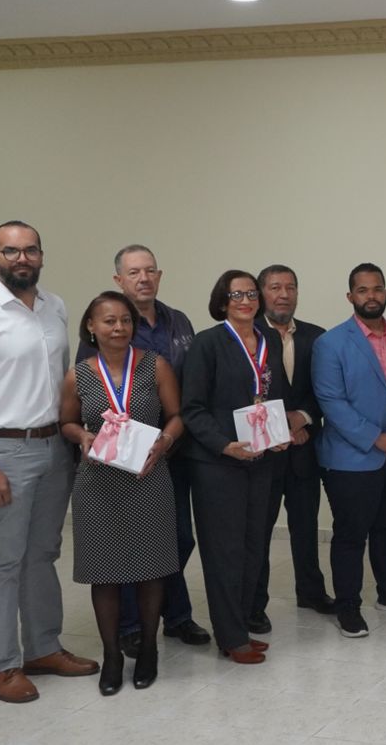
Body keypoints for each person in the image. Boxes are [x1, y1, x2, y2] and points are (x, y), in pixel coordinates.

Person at [0, 221, 99, 703]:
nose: (22, 258)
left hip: (54, 448)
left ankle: (43, 648)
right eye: (11, 252)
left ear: (42, 255)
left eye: (30, 250)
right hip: (2, 450)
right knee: (4, 560)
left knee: (42, 554)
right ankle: (2, 665)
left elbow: (64, 382)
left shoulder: (55, 308)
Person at [76, 245, 209, 655]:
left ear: (159, 275)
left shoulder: (179, 321)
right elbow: (91, 393)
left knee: (176, 539)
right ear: (119, 279)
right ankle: (133, 624)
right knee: (127, 542)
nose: (143, 278)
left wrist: (171, 435)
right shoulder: (106, 326)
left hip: (176, 447)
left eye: (150, 270)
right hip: (122, 461)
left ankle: (174, 616)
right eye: (134, 272)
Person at [58, 292, 185, 694]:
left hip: (148, 478)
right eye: (108, 321)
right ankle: (112, 655)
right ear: (91, 327)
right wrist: (81, 435)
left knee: (151, 569)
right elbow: (65, 422)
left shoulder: (155, 365)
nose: (118, 328)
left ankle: (148, 648)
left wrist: (163, 442)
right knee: (105, 574)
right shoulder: (78, 374)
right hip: (98, 484)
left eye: (125, 321)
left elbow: (177, 416)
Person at [179, 269, 291, 663]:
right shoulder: (207, 344)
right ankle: (230, 637)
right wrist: (225, 446)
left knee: (253, 548)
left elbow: (273, 396)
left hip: (261, 460)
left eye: (250, 293)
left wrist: (278, 433)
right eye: (236, 294)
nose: (245, 300)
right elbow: (191, 408)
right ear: (222, 300)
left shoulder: (269, 340)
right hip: (218, 464)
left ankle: (241, 625)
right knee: (224, 551)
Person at [313, 263, 386, 638]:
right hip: (352, 457)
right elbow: (332, 401)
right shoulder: (330, 343)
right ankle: (347, 606)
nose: (371, 296)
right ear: (350, 297)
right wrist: (376, 437)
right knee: (350, 533)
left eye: (377, 289)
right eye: (362, 290)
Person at [255, 264, 333, 618]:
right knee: (258, 531)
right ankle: (255, 604)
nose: (283, 294)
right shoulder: (246, 335)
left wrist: (301, 418)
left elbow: (327, 391)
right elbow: (241, 392)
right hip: (261, 453)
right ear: (261, 294)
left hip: (304, 449)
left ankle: (312, 593)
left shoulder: (318, 337)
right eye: (275, 287)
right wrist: (280, 426)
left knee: (306, 526)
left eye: (290, 287)